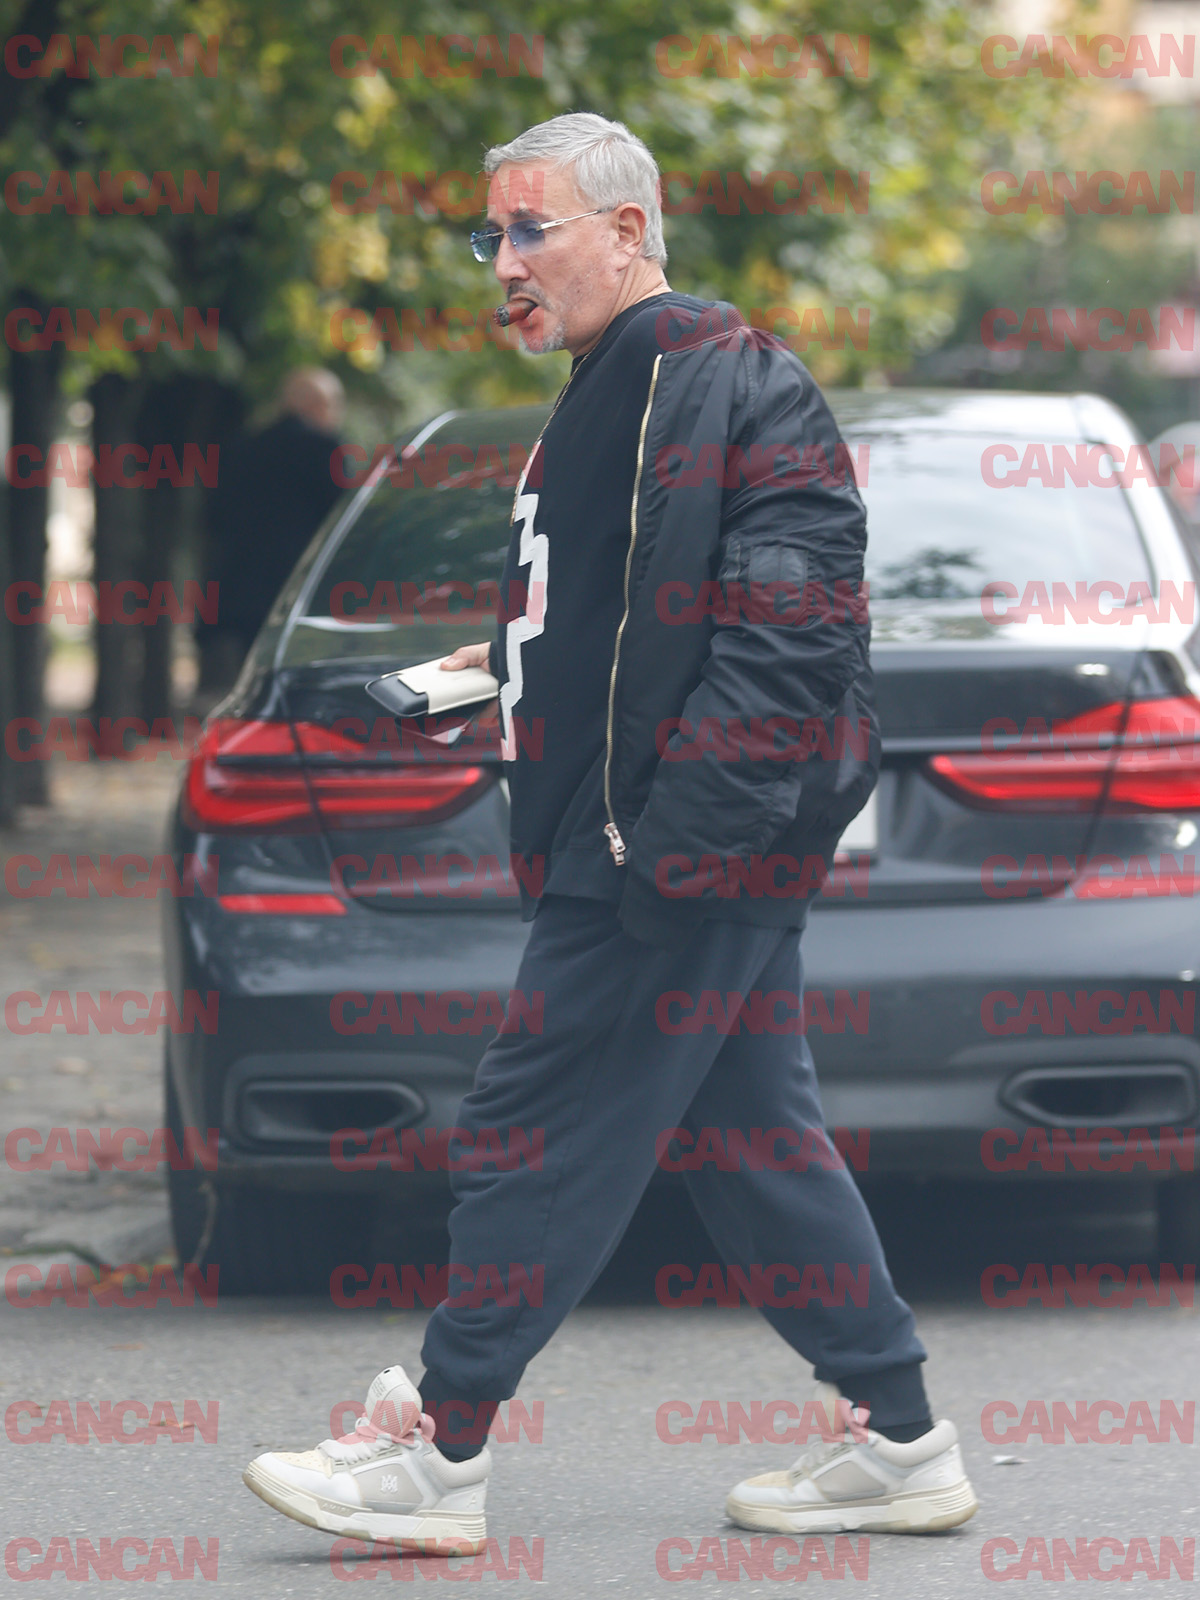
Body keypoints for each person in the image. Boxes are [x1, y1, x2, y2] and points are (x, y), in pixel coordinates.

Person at [243, 113, 977, 1554]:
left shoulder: (729, 379)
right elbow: (621, 624)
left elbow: (792, 636)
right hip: (656, 838)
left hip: (663, 850)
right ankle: (900, 1441)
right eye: (491, 237)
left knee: (534, 1123)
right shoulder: (610, 386)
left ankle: (436, 1452)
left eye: (532, 231)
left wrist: (672, 852)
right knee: (752, 1139)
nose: (503, 264)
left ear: (629, 231)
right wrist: (495, 674)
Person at [199, 368, 345, 680]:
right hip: (301, 587)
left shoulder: (243, 447)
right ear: (318, 405)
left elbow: (214, 515)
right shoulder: (323, 449)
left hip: (244, 587)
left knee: (253, 676)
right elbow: (339, 520)